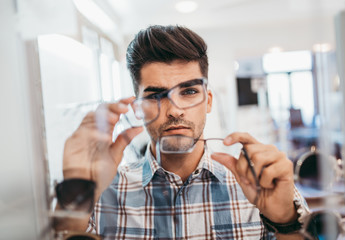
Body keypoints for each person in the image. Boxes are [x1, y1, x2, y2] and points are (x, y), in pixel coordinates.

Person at [56, 25, 309, 239]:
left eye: (189, 92)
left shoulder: (262, 186)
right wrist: (76, 198)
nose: (175, 110)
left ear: (208, 101)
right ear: (138, 109)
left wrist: (285, 221)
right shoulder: (102, 193)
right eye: (156, 96)